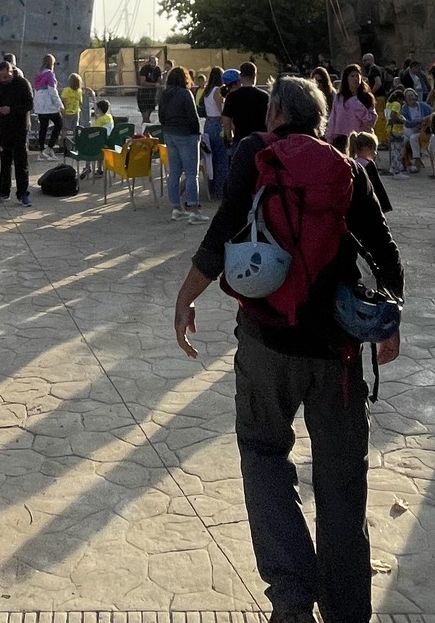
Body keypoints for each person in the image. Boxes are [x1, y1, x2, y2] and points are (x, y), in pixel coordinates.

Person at [172, 76, 403, 623]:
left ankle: (293, 598)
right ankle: (347, 611)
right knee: (342, 482)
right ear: (321, 120)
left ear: (274, 112)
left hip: (266, 342)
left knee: (263, 454)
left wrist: (186, 300)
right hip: (338, 353)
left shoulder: (255, 155)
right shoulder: (348, 170)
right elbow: (385, 252)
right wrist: (391, 319)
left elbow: (223, 233)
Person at [157, 65, 206, 222]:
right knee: (192, 174)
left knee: (174, 173)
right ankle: (193, 210)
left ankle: (176, 208)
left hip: (170, 133)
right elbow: (193, 116)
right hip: (187, 135)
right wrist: (197, 134)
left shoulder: (164, 94)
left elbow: (161, 116)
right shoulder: (185, 94)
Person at [0, 60, 34, 206]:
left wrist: (11, 109)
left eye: (6, 76)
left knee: (21, 162)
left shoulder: (22, 84)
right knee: (5, 162)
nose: (3, 80)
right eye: (1, 77)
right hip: (4, 128)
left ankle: (22, 194)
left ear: (11, 72)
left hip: (19, 128)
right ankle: (3, 192)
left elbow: (29, 104)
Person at [203, 68, 235, 198]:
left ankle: (212, 188)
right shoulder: (217, 91)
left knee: (212, 159)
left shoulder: (207, 91)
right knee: (222, 159)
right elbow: (221, 110)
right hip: (217, 123)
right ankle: (220, 191)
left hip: (208, 123)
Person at [328, 65, 376, 141]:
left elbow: (371, 122)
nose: (355, 79)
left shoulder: (367, 98)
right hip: (340, 139)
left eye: (357, 76)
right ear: (346, 78)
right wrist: (329, 137)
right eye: (352, 76)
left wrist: (358, 107)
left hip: (360, 140)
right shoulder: (339, 97)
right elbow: (333, 118)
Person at [226, 60, 271, 138]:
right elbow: (270, 118)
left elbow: (226, 119)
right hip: (260, 138)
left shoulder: (232, 96)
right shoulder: (264, 96)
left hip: (240, 138)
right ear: (254, 75)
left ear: (240, 76)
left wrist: (229, 136)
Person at [32, 55, 64, 152]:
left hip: (39, 106)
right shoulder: (50, 75)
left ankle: (42, 149)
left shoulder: (38, 75)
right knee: (59, 124)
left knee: (43, 127)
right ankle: (50, 147)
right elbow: (53, 92)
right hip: (49, 105)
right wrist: (60, 105)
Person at [137, 54, 164, 121]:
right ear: (149, 62)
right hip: (143, 94)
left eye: (155, 62)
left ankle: (146, 126)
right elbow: (142, 82)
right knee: (145, 115)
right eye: (152, 62)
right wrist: (154, 84)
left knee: (148, 114)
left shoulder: (158, 69)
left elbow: (160, 81)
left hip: (152, 95)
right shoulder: (145, 69)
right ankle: (145, 126)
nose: (153, 64)